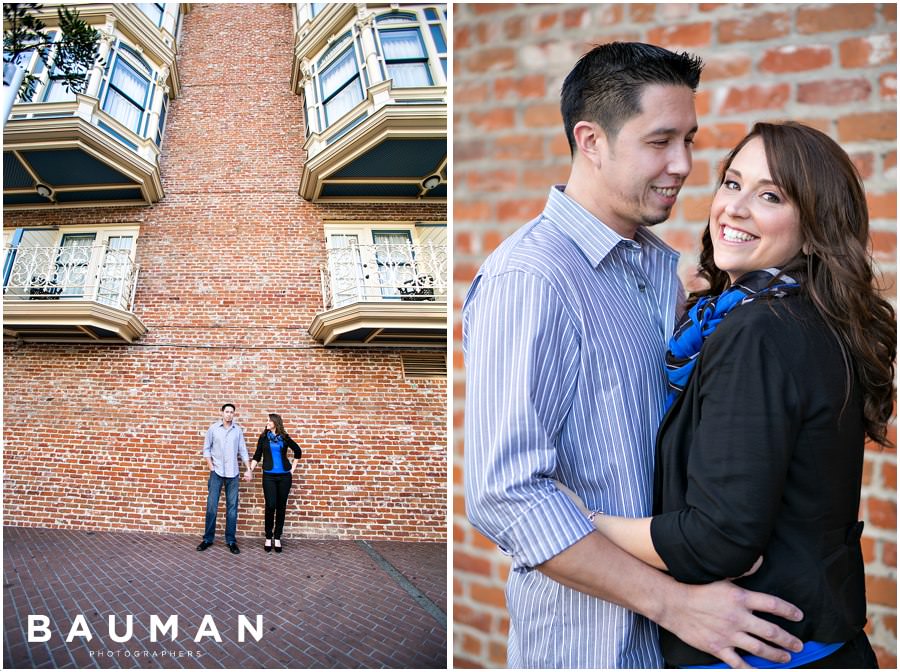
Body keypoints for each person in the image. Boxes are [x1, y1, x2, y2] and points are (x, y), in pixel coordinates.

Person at [463, 41, 805, 669]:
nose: (683, 164)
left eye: (690, 140)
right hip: (592, 645)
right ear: (591, 141)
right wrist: (673, 604)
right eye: (660, 141)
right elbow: (506, 495)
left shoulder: (658, 267)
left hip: (692, 641)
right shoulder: (531, 279)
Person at [566, 121, 896, 668]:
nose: (734, 208)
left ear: (816, 229)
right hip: (823, 639)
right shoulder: (813, 319)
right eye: (732, 183)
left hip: (759, 652)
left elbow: (716, 542)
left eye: (769, 195)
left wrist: (583, 517)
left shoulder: (757, 333)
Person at [197, 403, 251, 554]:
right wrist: (211, 467)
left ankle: (231, 540)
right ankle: (207, 539)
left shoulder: (237, 431)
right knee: (212, 507)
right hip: (217, 473)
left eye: (231, 412)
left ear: (234, 414)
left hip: (233, 475)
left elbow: (243, 450)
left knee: (232, 509)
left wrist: (248, 469)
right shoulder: (213, 429)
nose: (229, 414)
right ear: (222, 413)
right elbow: (206, 448)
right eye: (227, 411)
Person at [249, 413, 302, 553]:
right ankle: (268, 537)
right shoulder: (263, 438)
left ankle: (277, 537)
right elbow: (257, 456)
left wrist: (292, 470)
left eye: (269, 420)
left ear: (275, 423)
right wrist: (250, 470)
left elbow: (298, 451)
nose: (267, 422)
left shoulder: (284, 437)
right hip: (269, 477)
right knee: (270, 505)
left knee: (281, 507)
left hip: (285, 477)